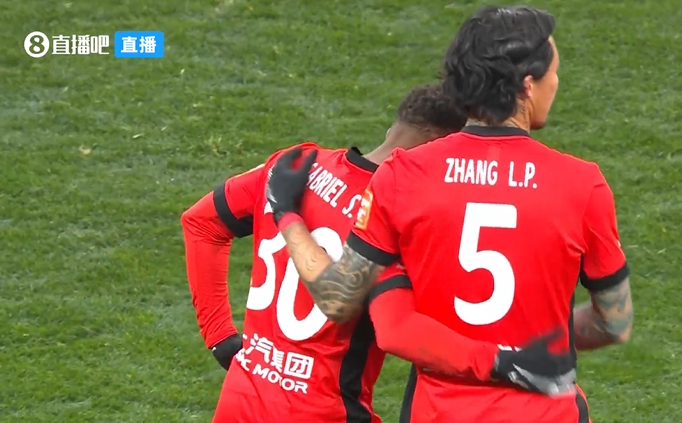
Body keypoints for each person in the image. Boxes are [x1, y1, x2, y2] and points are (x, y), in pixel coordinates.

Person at [265, 6, 634, 423]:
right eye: (554, 72)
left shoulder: (401, 175)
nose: (557, 82)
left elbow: (337, 298)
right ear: (527, 86)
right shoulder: (582, 184)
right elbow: (614, 321)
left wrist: (287, 215)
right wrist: (534, 349)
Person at [182, 85, 517, 423]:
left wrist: (220, 337)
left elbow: (201, 223)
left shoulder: (295, 163)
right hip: (325, 413)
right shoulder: (399, 218)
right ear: (434, 145)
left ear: (395, 127)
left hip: (241, 403)